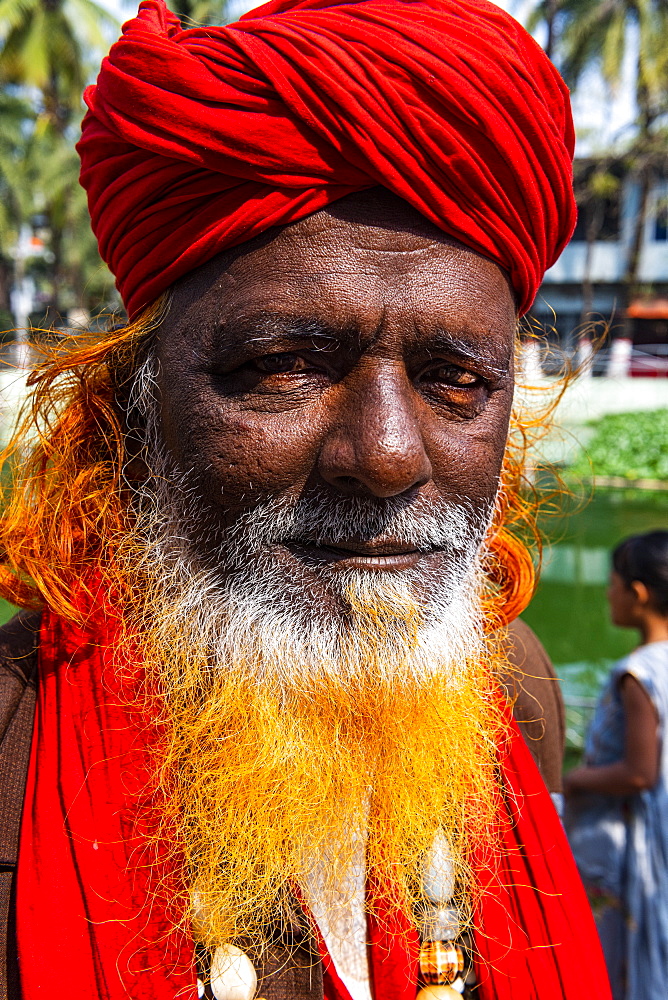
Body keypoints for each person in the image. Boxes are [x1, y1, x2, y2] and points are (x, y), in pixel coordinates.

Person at [0, 1, 611, 998]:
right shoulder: (10, 750)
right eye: (283, 364)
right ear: (133, 413)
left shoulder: (514, 691)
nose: (383, 454)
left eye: (454, 376)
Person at [566, 531, 668, 1000]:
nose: (608, 593)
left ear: (639, 594)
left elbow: (638, 772)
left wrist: (574, 779)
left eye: (613, 583)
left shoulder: (639, 673)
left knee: (627, 953)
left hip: (638, 838)